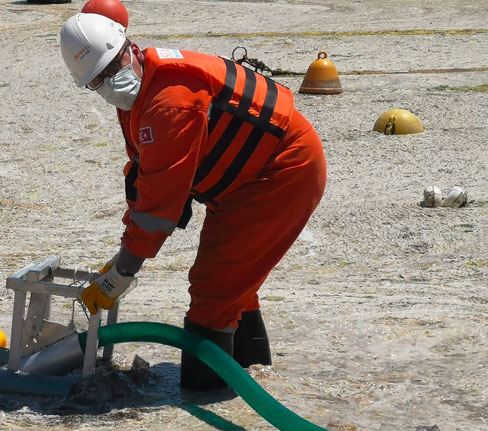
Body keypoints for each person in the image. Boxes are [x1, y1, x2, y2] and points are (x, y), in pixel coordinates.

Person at [60, 13, 327, 390]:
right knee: (234, 282)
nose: (109, 83)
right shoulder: (139, 92)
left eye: (112, 67)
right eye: (97, 81)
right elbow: (143, 176)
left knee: (214, 291)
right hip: (244, 178)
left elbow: (159, 210)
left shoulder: (169, 103)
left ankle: (206, 394)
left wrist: (123, 271)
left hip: (280, 171)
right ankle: (250, 376)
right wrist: (123, 253)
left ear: (130, 48)